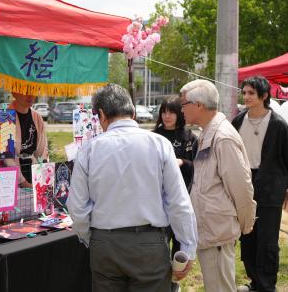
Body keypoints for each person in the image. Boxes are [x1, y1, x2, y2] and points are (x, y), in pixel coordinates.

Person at [67, 83, 198, 292]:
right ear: (133, 112)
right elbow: (179, 202)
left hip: (105, 243)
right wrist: (188, 247)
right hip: (149, 244)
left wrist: (92, 238)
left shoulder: (89, 150)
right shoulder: (159, 144)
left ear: (101, 115)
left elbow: (76, 206)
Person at [180, 79, 256, 292]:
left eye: (184, 104)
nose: (181, 109)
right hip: (211, 229)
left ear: (198, 105)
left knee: (220, 288)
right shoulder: (208, 132)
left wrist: (244, 223)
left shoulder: (222, 137)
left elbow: (241, 188)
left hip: (218, 231)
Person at [232, 76, 288, 292]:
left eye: (251, 93)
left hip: (270, 188)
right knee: (247, 238)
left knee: (267, 242)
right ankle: (255, 282)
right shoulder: (238, 121)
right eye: (244, 92)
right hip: (244, 185)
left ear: (264, 96)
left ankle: (267, 285)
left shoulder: (279, 125)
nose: (246, 97)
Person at [154, 95, 198, 292]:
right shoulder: (153, 137)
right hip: (157, 204)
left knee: (180, 247)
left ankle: (175, 283)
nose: (167, 115)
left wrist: (182, 163)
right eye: (164, 111)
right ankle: (160, 283)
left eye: (171, 111)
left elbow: (199, 167)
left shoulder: (189, 137)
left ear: (179, 113)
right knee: (159, 246)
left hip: (182, 201)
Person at [8, 93, 48, 185]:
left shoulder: (37, 117)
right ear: (14, 92)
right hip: (10, 179)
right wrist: (23, 182)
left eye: (33, 91)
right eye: (26, 92)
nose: (31, 95)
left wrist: (43, 175)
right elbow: (6, 157)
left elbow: (42, 152)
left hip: (32, 174)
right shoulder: (3, 116)